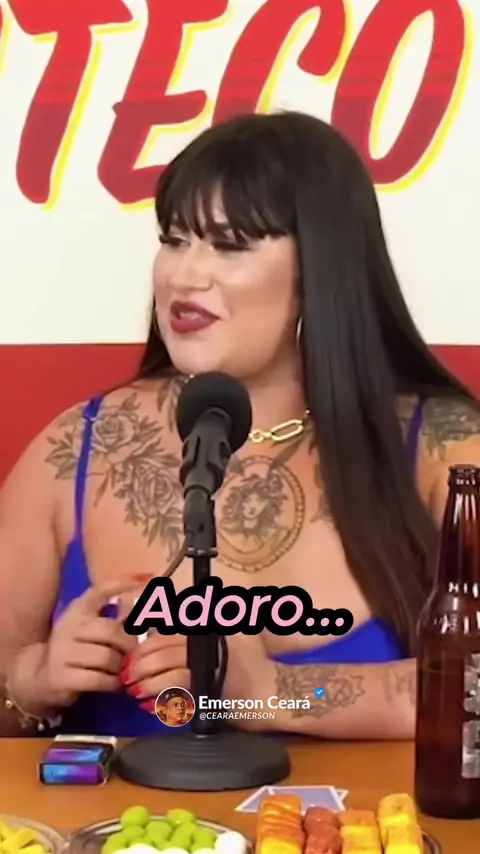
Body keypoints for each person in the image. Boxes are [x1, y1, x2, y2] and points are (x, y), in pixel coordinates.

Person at [1, 109, 480, 740]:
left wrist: (270, 692)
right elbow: (8, 691)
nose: (183, 275)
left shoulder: (443, 449)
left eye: (229, 246)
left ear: (318, 273)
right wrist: (31, 685)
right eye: (174, 239)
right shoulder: (76, 449)